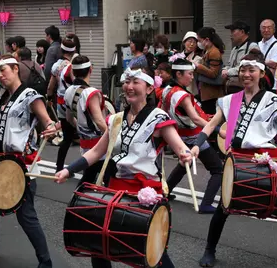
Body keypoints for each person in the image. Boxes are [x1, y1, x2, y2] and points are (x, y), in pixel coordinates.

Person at [55, 66, 193, 268]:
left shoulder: (158, 118)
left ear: (148, 88)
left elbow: (180, 147)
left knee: (149, 252)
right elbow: (95, 152)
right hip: (113, 188)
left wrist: (186, 155)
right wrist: (68, 170)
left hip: (142, 191)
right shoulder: (116, 119)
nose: (129, 86)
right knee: (99, 245)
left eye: (135, 82)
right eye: (127, 81)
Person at [195, 50, 277, 267]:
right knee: (224, 206)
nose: (246, 74)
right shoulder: (229, 101)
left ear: (261, 73)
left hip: (268, 157)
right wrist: (197, 145)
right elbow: (212, 125)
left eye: (251, 70)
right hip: (240, 159)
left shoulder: (273, 99)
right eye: (243, 70)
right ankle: (209, 249)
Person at [0, 55, 59, 268]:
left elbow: (47, 120)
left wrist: (52, 127)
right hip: (0, 161)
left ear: (16, 69)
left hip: (22, 165)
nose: (0, 75)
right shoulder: (1, 101)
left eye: (4, 70)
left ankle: (45, 261)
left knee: (25, 215)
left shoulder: (30, 96)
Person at [161, 58, 223, 214]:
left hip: (178, 136)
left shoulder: (167, 90)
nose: (192, 77)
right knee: (218, 170)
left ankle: (164, 193)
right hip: (194, 137)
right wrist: (216, 129)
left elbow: (163, 112)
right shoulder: (183, 95)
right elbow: (195, 119)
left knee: (184, 165)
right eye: (189, 74)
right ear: (179, 74)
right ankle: (206, 203)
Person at [64, 55, 107, 186]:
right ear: (91, 69)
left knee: (89, 176)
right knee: (108, 176)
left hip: (85, 143)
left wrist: (82, 129)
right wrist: (113, 138)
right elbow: (99, 121)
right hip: (99, 143)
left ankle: (78, 202)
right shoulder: (91, 93)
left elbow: (68, 118)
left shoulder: (69, 91)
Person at [47, 39, 79, 172]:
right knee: (85, 135)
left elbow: (51, 86)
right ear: (74, 51)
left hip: (60, 103)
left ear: (61, 50)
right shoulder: (71, 67)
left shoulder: (56, 66)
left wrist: (49, 97)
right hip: (72, 104)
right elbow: (77, 84)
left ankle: (59, 167)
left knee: (67, 138)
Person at [194, 27, 225, 114]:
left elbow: (213, 73)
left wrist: (198, 66)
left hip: (212, 94)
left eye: (199, 40)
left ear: (207, 40)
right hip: (206, 92)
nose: (198, 43)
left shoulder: (214, 52)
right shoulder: (207, 51)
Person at [223, 20, 259, 94]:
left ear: (242, 32)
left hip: (245, 87)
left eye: (233, 31)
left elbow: (251, 67)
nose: (231, 35)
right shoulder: (234, 49)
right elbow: (229, 65)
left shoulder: (252, 47)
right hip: (232, 86)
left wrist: (228, 72)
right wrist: (224, 70)